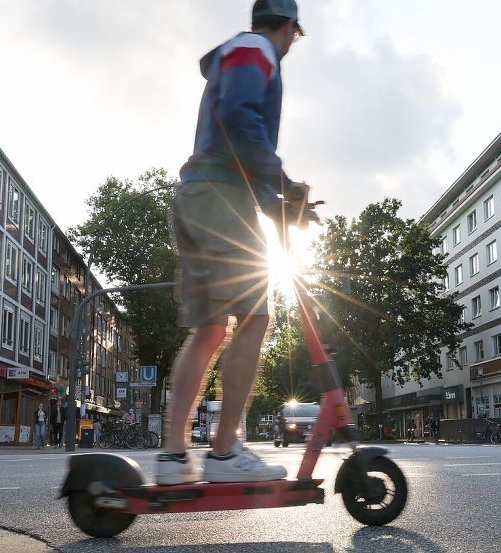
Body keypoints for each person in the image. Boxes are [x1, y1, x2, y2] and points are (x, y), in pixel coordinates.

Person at [156, 0, 304, 486]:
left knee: (210, 329)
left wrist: (278, 203)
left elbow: (236, 141)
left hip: (200, 195)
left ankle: (174, 458)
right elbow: (241, 117)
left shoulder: (238, 51)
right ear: (287, 28)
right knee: (256, 316)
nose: (288, 47)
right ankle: (222, 453)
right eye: (292, 39)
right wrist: (281, 178)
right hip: (219, 198)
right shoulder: (255, 48)